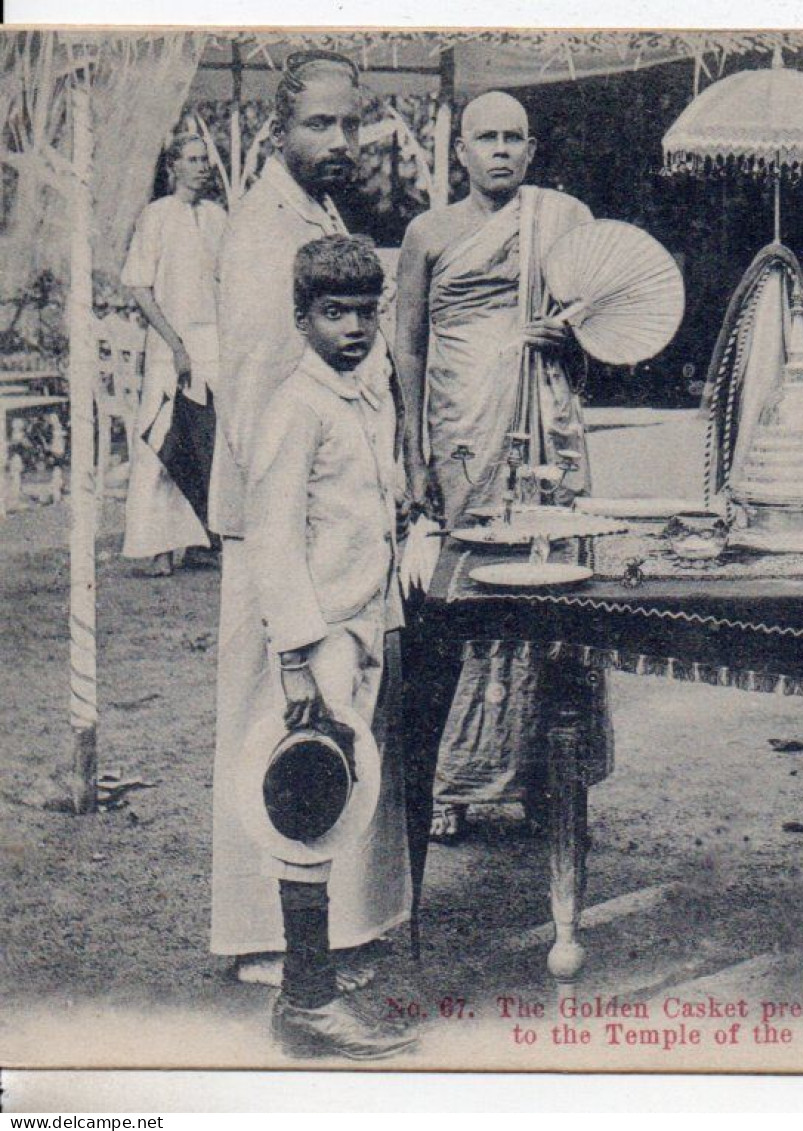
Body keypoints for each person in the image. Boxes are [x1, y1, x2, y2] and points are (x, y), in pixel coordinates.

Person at [210, 50, 408, 987]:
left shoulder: (321, 215)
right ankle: (265, 936)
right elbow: (258, 402)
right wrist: (298, 530)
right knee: (280, 720)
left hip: (331, 522)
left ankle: (333, 928)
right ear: (276, 132)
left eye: (351, 125)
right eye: (320, 126)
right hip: (282, 522)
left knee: (339, 720)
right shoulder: (262, 232)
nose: (340, 142)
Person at [394, 91, 602, 844]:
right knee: (465, 591)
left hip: (545, 425)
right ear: (462, 151)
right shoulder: (429, 231)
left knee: (554, 586)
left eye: (515, 138)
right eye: (487, 137)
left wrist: (568, 331)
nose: (501, 151)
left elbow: (604, 325)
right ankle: (451, 778)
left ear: (532, 149)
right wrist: (412, 450)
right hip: (462, 430)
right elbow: (408, 344)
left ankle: (547, 778)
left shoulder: (564, 220)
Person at [249, 235, 414, 1059]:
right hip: (319, 638)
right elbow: (272, 541)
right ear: (301, 317)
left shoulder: (365, 393)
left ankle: (311, 985)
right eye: (333, 312)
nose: (353, 328)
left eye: (365, 311)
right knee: (309, 797)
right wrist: (295, 657)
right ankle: (306, 1001)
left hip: (362, 617)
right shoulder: (297, 405)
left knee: (342, 790)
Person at [119, 133, 225, 576]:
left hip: (213, 341)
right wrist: (176, 345)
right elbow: (140, 287)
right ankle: (157, 546)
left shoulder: (218, 217)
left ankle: (204, 539)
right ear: (173, 167)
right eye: (194, 160)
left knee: (210, 441)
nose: (203, 167)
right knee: (161, 438)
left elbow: (228, 284)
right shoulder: (157, 216)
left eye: (206, 160)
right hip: (169, 342)